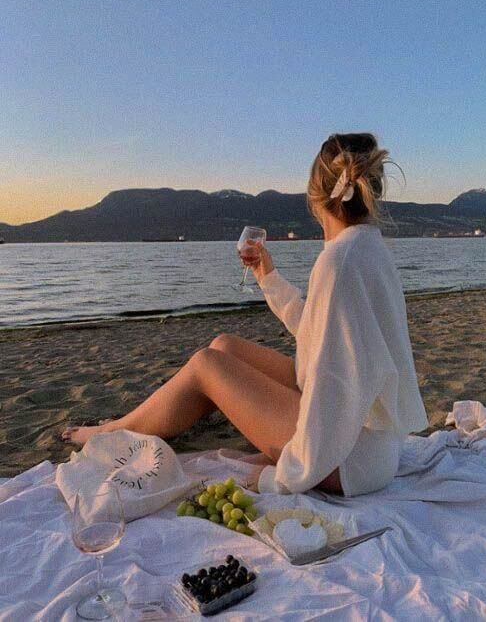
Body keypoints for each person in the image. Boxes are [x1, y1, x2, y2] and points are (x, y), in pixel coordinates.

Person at [62, 133, 428, 496]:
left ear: (317, 195)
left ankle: (111, 432)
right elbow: (322, 336)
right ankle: (128, 425)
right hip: (368, 440)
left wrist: (282, 476)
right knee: (223, 347)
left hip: (348, 459)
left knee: (206, 364)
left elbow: (334, 380)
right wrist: (266, 277)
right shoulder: (366, 248)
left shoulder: (339, 260)